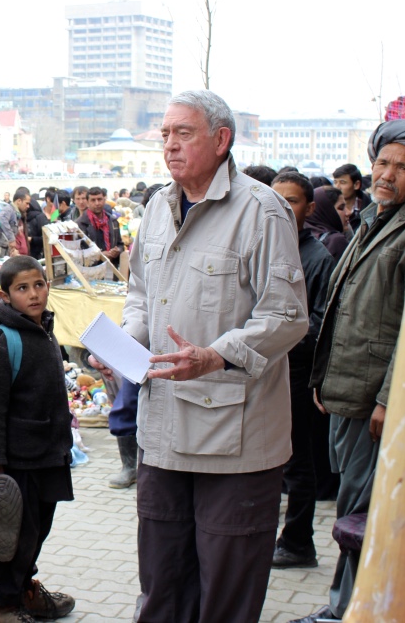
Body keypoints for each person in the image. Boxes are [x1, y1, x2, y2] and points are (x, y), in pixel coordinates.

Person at [94, 90, 308, 623]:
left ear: (221, 140)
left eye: (183, 133)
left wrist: (214, 356)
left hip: (233, 439)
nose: (169, 145)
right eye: (165, 134)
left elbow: (286, 317)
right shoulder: (157, 208)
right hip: (162, 432)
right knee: (162, 585)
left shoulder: (262, 210)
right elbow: (141, 290)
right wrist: (127, 344)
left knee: (226, 595)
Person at [290, 119, 405, 623]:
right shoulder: (375, 217)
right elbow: (341, 309)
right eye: (382, 162)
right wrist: (323, 379)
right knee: (353, 503)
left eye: (402, 166)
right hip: (346, 392)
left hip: (374, 400)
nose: (387, 174)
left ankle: (346, 610)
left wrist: (390, 397)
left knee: (361, 513)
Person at [0, 256, 75, 623]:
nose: (34, 294)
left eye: (39, 284)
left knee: (39, 531)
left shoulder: (45, 331)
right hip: (18, 462)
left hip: (50, 455)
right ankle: (3, 606)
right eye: (23, 288)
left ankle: (26, 590)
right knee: (15, 537)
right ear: (6, 296)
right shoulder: (2, 341)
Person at [270, 172, 336, 570]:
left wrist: (271, 335)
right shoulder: (269, 247)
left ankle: (298, 541)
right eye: (275, 199)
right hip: (267, 368)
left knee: (299, 462)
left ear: (309, 208)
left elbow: (319, 325)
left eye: (291, 201)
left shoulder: (317, 259)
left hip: (296, 373)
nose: (281, 208)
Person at [77, 187, 124, 268]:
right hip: (90, 270)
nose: (97, 203)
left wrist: (117, 250)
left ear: (104, 200)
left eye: (99, 199)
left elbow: (120, 244)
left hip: (111, 268)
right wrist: (99, 255)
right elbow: (77, 253)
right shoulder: (80, 224)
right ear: (87, 203)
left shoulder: (112, 221)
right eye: (93, 200)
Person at [304, 187, 351, 262]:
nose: (348, 212)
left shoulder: (301, 236)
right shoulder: (336, 241)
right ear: (327, 211)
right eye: (341, 207)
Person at [0, 190, 29, 258]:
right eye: (27, 203)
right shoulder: (9, 209)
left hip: (4, 248)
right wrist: (11, 239)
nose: (28, 206)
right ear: (19, 201)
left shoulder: (16, 213)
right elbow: (1, 219)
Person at [331, 163, 370, 233]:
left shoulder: (369, 210)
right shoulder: (329, 207)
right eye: (335, 182)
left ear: (356, 185)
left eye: (342, 182)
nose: (337, 187)